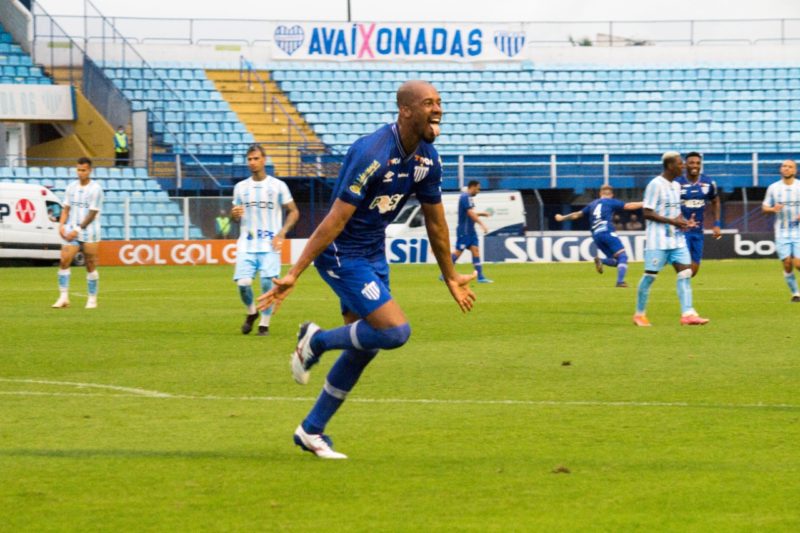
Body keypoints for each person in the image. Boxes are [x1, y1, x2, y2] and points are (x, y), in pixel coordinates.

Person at [257, 80, 477, 459]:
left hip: (373, 251)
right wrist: (295, 271)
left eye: (440, 102)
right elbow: (334, 220)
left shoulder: (428, 160)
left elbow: (437, 223)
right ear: (405, 110)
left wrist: (451, 275)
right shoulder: (372, 153)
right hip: (342, 252)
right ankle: (316, 341)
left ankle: (311, 430)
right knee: (394, 331)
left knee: (364, 347)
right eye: (429, 103)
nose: (438, 109)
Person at [632, 152, 709, 327]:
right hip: (657, 241)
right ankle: (639, 314)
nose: (683, 167)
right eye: (680, 164)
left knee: (685, 273)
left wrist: (682, 221)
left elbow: (675, 211)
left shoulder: (676, 185)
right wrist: (672, 221)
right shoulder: (655, 185)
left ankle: (687, 314)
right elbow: (647, 212)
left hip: (677, 239)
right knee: (650, 276)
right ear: (669, 166)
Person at [231, 144, 299, 336]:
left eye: (256, 158)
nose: (252, 162)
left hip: (270, 244)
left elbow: (293, 211)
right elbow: (235, 216)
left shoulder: (277, 186)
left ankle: (264, 324)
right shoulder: (241, 187)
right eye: (250, 159)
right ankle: (252, 312)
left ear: (264, 160)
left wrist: (282, 232)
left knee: (268, 284)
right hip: (247, 243)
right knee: (243, 283)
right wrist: (234, 214)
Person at [555, 185, 642, 287]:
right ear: (612, 195)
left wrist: (562, 217)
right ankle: (620, 282)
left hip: (596, 236)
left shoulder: (592, 204)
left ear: (600, 194)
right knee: (623, 256)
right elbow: (628, 206)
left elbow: (577, 214)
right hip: (606, 232)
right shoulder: (610, 201)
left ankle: (602, 260)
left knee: (616, 261)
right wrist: (643, 203)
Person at [51, 157, 104, 309]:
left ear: (90, 171)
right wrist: (61, 225)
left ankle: (92, 298)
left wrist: (78, 230)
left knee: (90, 264)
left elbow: (92, 214)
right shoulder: (71, 187)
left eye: (83, 170)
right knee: (64, 260)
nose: (80, 173)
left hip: (90, 231)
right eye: (78, 170)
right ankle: (63, 298)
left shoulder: (96, 189)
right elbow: (66, 208)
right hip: (71, 229)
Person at [675, 151, 721, 277]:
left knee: (693, 271)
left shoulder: (709, 183)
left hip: (698, 231)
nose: (695, 165)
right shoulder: (677, 183)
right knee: (684, 269)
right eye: (691, 163)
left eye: (697, 163)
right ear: (685, 165)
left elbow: (715, 201)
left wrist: (717, 224)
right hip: (681, 231)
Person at [761, 160, 800, 302]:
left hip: (798, 231)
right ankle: (796, 293)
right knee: (787, 264)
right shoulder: (773, 188)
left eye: (790, 167)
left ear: (795, 171)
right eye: (784, 166)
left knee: (798, 263)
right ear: (781, 170)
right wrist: (772, 209)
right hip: (781, 232)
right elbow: (764, 207)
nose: (787, 169)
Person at [450, 180, 493, 283]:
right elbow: (470, 213)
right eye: (478, 188)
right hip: (464, 230)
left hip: (470, 230)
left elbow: (471, 213)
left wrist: (482, 214)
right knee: (458, 252)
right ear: (472, 187)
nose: (478, 191)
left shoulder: (469, 198)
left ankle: (480, 277)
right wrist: (482, 224)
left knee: (475, 250)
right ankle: (445, 273)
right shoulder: (465, 197)